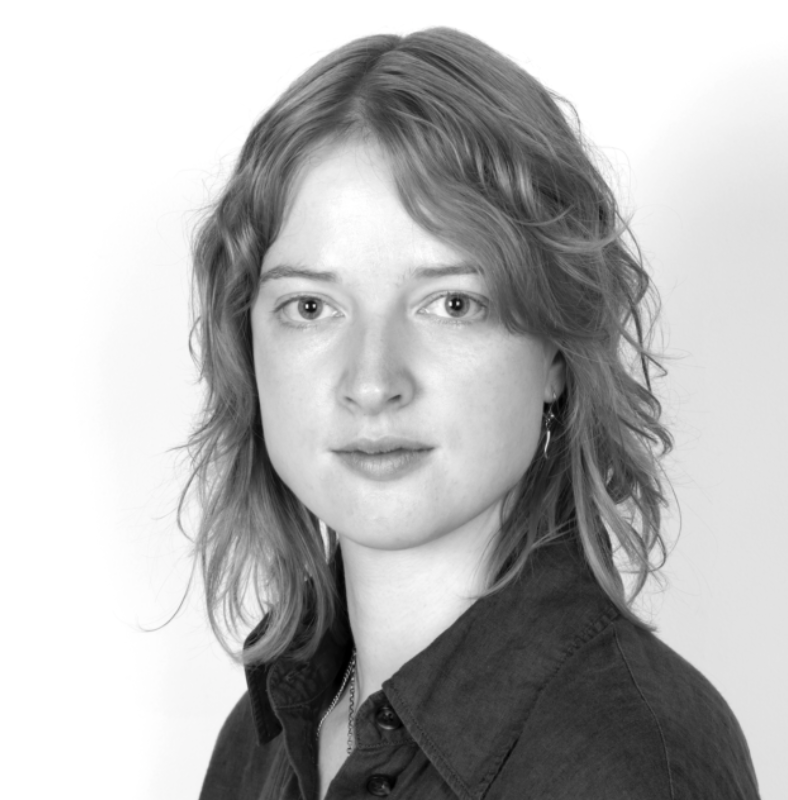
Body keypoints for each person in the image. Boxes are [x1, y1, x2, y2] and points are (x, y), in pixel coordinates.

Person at [184, 27, 760, 800]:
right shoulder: (263, 738)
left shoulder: (629, 757)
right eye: (311, 306)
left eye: (453, 303)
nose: (372, 381)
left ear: (557, 349)